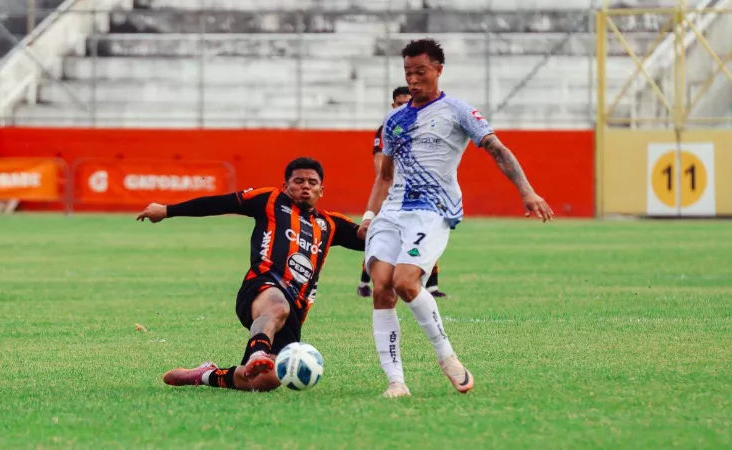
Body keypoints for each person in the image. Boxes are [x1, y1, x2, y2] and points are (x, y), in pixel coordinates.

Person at [357, 39, 554, 398]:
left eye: (420, 72)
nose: (413, 80)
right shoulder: (394, 120)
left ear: (438, 70)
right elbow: (384, 177)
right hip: (392, 212)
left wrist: (527, 191)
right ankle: (396, 382)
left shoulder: (458, 111)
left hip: (432, 210)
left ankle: (447, 358)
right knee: (381, 286)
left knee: (405, 281)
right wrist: (370, 214)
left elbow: (497, 149)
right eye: (407, 73)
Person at [137, 157, 365, 392]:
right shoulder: (270, 200)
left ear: (321, 189)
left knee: (265, 380)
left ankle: (205, 374)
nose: (305, 186)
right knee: (278, 306)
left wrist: (377, 228)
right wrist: (167, 210)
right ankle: (258, 352)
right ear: (286, 185)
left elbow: (370, 240)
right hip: (262, 285)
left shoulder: (330, 224)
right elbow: (220, 204)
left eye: (312, 182)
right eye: (298, 181)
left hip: (296, 307)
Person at [357, 86, 446, 299]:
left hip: (417, 193)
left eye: (407, 103)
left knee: (426, 233)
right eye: (399, 104)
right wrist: (390, 185)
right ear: (393, 105)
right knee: (379, 236)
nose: (403, 107)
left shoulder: (422, 127)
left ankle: (431, 286)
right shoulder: (388, 127)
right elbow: (380, 165)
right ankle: (364, 282)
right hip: (393, 194)